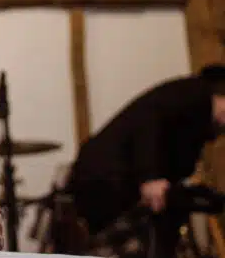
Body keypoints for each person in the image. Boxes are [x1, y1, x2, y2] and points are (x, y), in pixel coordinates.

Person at [66, 65, 225, 257]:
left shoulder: (199, 118)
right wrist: (150, 176)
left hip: (113, 179)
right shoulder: (196, 93)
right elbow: (148, 118)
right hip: (106, 177)